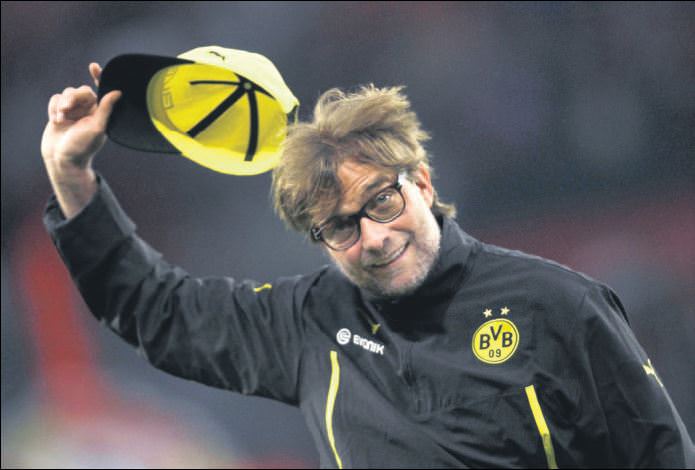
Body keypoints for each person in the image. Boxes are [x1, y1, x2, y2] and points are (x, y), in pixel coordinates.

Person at [41, 63, 694, 468]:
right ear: (319, 239)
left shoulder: (557, 304)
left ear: (423, 183)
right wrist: (71, 175)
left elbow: (659, 456)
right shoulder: (307, 322)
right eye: (340, 227)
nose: (374, 238)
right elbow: (155, 309)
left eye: (382, 201)